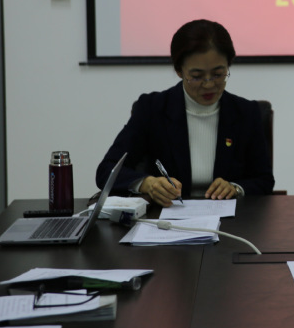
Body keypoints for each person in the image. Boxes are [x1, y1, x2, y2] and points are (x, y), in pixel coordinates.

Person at [96, 20, 274, 206]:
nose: (209, 84)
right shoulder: (152, 109)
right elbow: (106, 171)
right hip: (167, 217)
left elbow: (264, 180)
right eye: (196, 76)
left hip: (232, 219)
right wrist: (147, 184)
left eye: (218, 74)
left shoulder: (246, 113)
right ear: (179, 71)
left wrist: (236, 188)